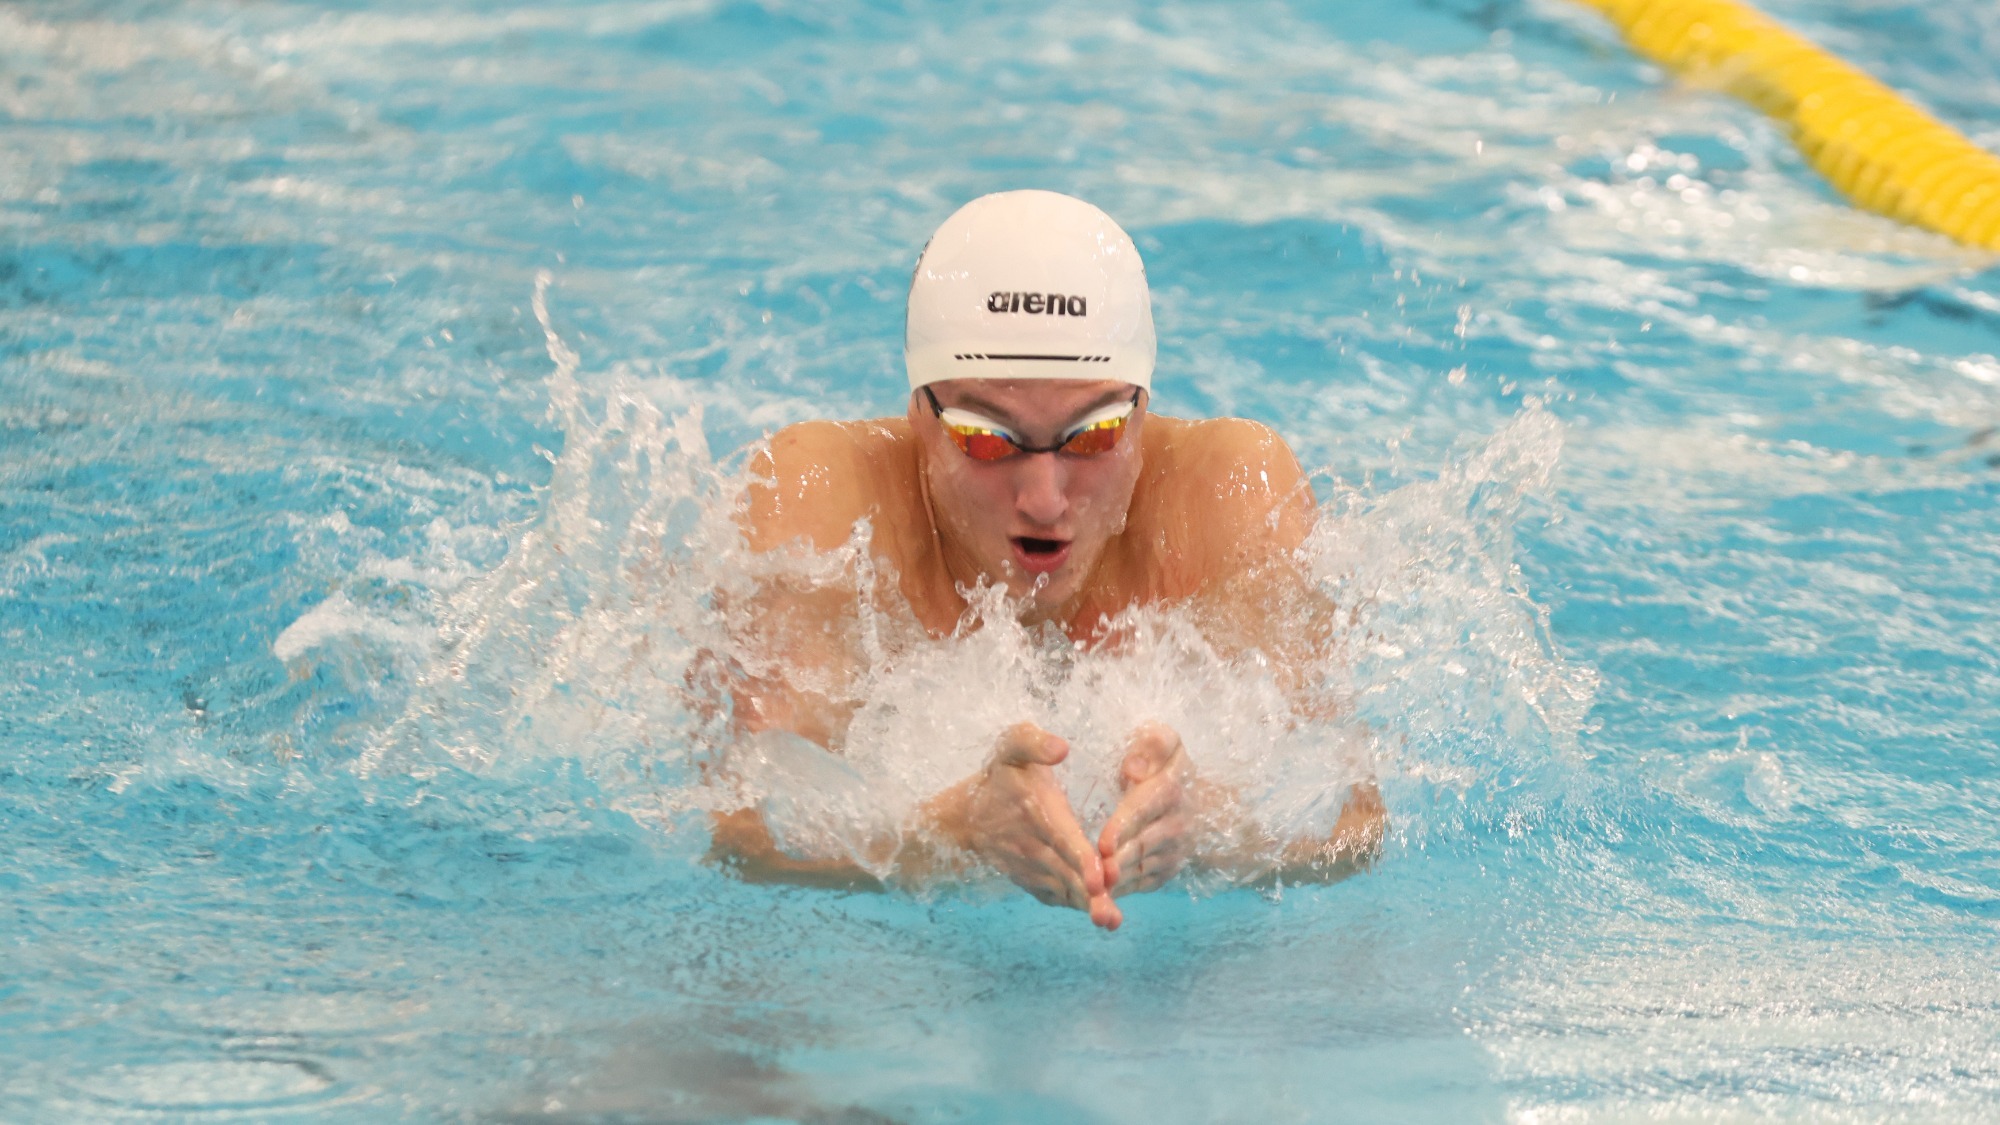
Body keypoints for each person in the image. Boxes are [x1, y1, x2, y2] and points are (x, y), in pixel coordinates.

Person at [709, 190, 1385, 931]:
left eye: (1091, 436)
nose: (1043, 496)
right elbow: (746, 832)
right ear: (918, 419)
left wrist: (1215, 830)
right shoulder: (826, 505)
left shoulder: (1228, 497)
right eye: (986, 438)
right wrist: (948, 832)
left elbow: (1353, 823)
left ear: (1143, 415)